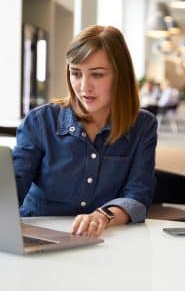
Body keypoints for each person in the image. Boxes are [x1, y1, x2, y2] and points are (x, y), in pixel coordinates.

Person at [13, 25, 157, 238]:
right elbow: (13, 187)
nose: (84, 87)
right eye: (76, 73)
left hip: (102, 240)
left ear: (120, 76)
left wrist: (102, 216)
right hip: (38, 235)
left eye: (97, 75)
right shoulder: (40, 121)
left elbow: (138, 196)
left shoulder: (142, 126)